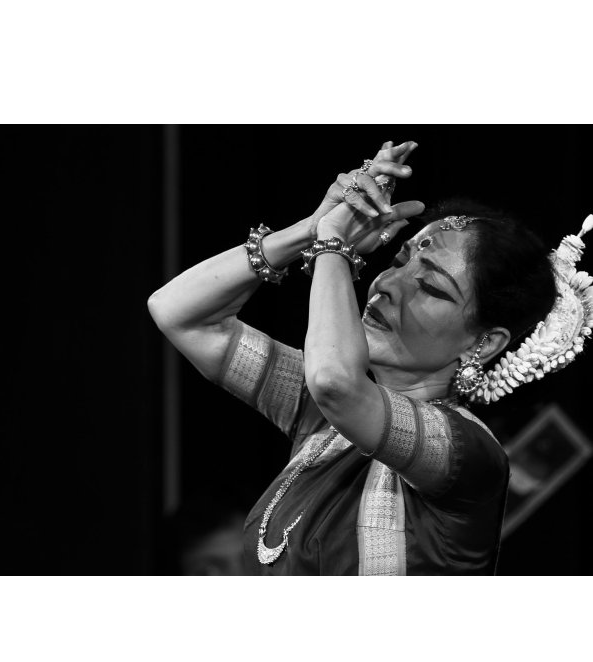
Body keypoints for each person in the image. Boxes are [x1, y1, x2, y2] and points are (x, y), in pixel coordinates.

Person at [148, 140, 592, 575]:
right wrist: (309, 229)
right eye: (398, 262)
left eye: (431, 287)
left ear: (485, 343)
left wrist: (332, 246)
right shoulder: (323, 420)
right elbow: (180, 315)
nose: (387, 285)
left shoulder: (466, 453)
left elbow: (336, 383)